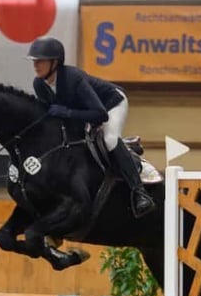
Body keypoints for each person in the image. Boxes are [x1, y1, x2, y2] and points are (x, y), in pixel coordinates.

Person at [27, 36, 156, 218]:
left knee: (109, 140)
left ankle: (139, 192)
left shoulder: (73, 78)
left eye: (40, 61)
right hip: (84, 113)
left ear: (55, 62)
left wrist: (67, 112)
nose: (35, 65)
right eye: (34, 61)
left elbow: (100, 114)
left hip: (111, 104)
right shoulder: (39, 84)